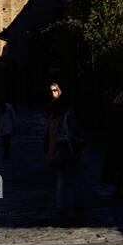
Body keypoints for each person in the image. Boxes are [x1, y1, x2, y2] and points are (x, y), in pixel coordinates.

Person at [43, 81, 83, 221]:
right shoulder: (68, 114)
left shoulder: (53, 115)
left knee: (61, 179)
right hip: (67, 149)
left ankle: (61, 206)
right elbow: (74, 130)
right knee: (72, 178)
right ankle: (73, 204)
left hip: (55, 150)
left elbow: (47, 135)